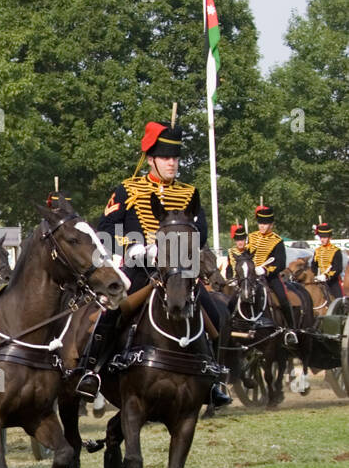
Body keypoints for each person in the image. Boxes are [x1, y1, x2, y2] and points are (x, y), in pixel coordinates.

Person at [82, 119, 230, 406]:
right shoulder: (127, 190)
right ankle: (92, 372)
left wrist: (178, 253)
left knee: (218, 315)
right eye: (165, 157)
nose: (172, 163)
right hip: (139, 269)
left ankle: (213, 380)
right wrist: (134, 246)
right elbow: (105, 230)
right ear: (151, 159)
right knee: (110, 314)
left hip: (180, 272)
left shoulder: (189, 194)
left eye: (175, 158)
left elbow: (200, 236)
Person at [246, 204, 297, 347]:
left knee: (283, 299)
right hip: (250, 276)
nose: (262, 226)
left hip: (270, 277)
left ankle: (291, 329)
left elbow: (280, 263)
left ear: (271, 224)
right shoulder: (251, 237)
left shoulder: (277, 241)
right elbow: (245, 255)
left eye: (266, 223)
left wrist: (266, 271)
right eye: (260, 223)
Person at [310, 222, 343, 300]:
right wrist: (316, 275)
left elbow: (337, 268)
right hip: (319, 279)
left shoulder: (336, 250)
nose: (322, 239)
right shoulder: (317, 250)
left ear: (329, 238)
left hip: (332, 281)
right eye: (321, 237)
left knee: (339, 299)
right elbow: (313, 265)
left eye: (324, 237)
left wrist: (326, 276)